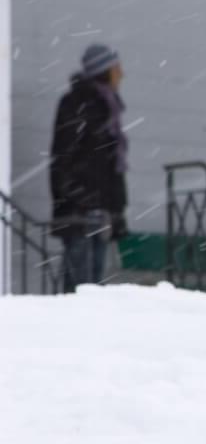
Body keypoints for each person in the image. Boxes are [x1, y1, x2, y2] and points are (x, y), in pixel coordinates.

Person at [49, 43, 130, 292]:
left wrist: (115, 209)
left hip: (100, 213)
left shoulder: (107, 106)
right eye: (117, 68)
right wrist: (78, 199)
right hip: (81, 213)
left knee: (93, 290)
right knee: (80, 289)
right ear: (104, 70)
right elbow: (63, 157)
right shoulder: (77, 104)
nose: (121, 74)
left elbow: (109, 167)